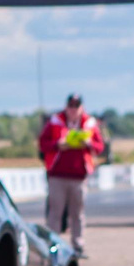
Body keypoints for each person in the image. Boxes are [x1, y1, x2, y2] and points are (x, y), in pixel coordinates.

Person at [37, 93, 109, 256]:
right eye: (71, 106)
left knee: (77, 213)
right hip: (57, 175)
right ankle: (53, 246)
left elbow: (99, 146)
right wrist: (58, 144)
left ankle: (78, 245)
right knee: (55, 212)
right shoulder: (55, 122)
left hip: (79, 176)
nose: (73, 109)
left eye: (76, 106)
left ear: (81, 108)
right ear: (66, 107)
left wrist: (88, 143)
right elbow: (42, 143)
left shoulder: (89, 123)